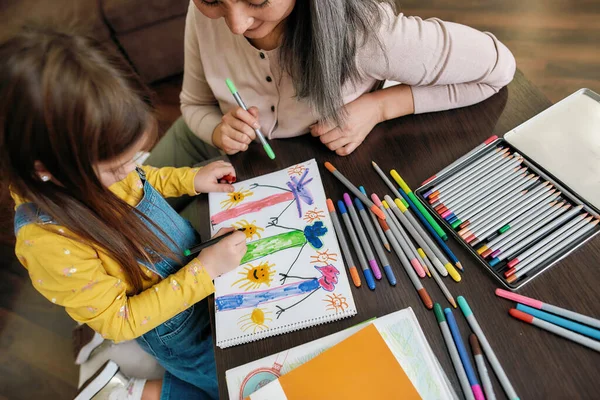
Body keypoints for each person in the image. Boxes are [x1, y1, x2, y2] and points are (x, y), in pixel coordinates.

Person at [0, 25, 247, 400]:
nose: (130, 172)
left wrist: (191, 179)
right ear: (45, 170)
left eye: (134, 159)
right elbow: (119, 322)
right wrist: (206, 271)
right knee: (231, 386)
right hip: (177, 331)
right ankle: (128, 393)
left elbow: (144, 178)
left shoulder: (98, 167)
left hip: (199, 278)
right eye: (116, 169)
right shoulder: (48, 242)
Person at [146, 0, 516, 169]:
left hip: (318, 166)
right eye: (213, 1)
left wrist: (381, 106)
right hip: (204, 146)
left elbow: (498, 69)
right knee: (121, 211)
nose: (236, 25)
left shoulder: (367, 34)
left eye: (256, 0)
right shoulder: (202, 13)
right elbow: (194, 104)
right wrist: (215, 129)